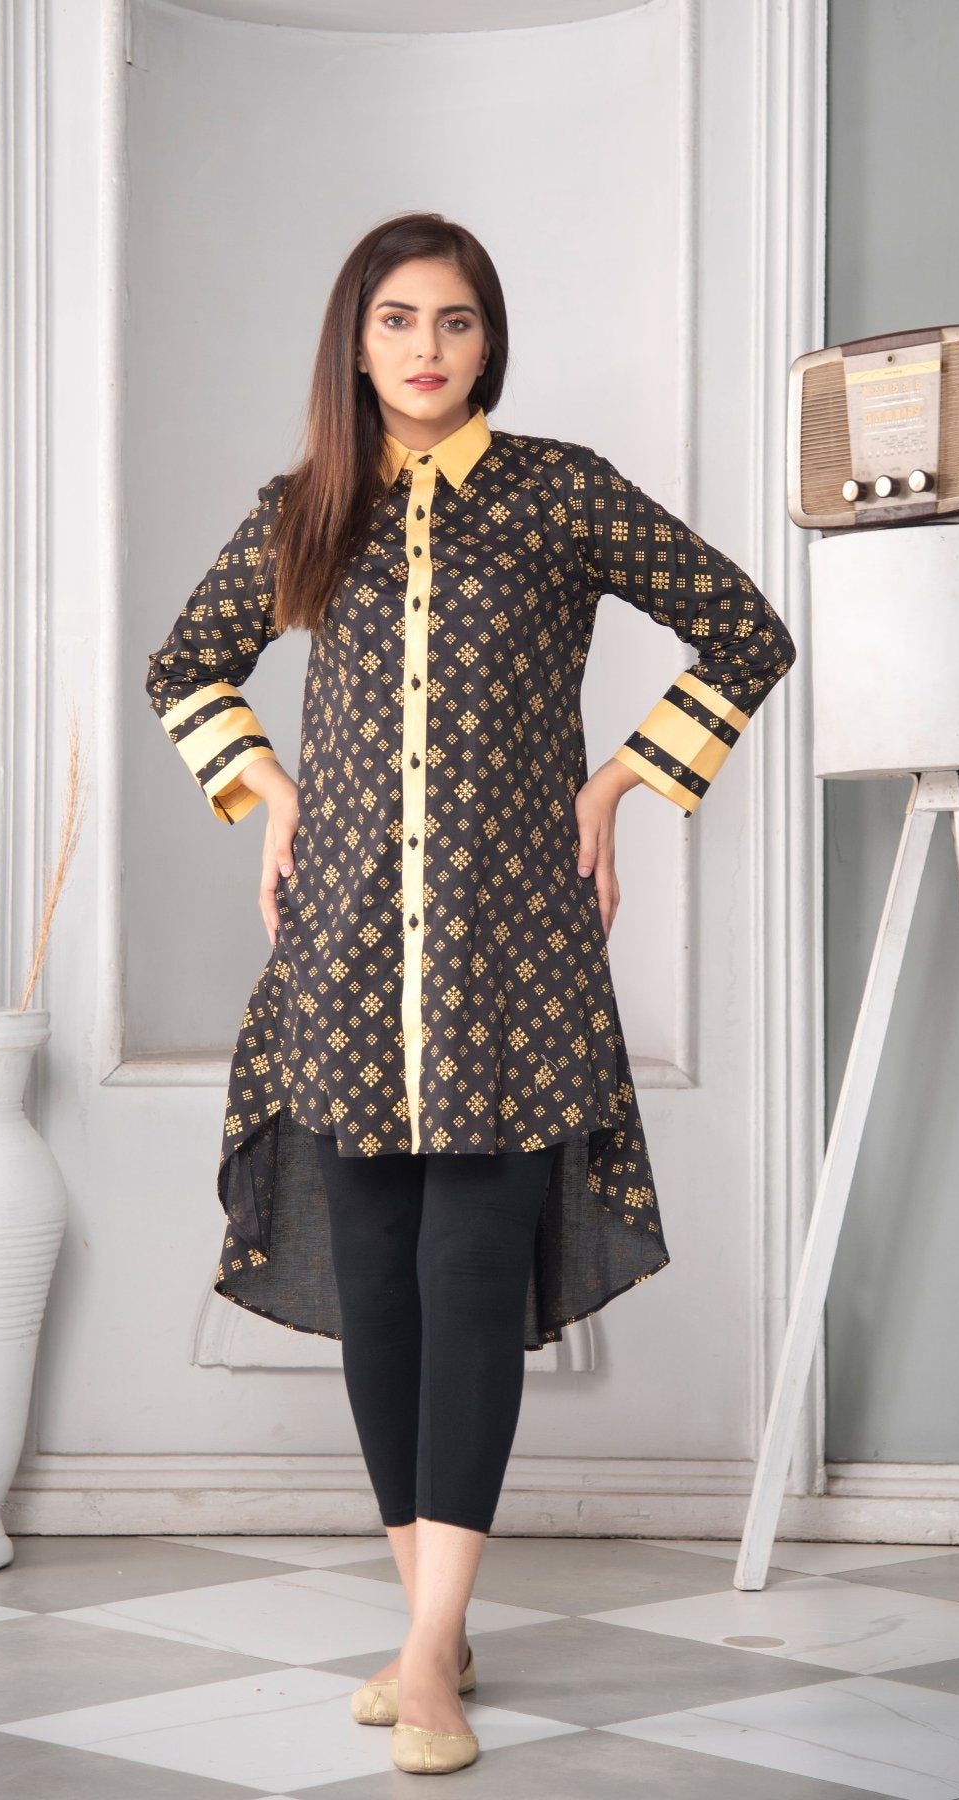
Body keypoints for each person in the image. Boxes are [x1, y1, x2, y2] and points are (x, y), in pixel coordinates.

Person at [144, 211, 796, 1775]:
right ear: (356, 342)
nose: (426, 348)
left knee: (471, 1270)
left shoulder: (563, 493)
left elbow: (746, 630)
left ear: (489, 339)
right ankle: (428, 1619)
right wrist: (270, 793)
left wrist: (621, 781)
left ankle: (431, 1652)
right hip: (348, 946)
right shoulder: (307, 508)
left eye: (454, 320)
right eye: (397, 320)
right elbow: (186, 668)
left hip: (519, 952)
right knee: (377, 1275)